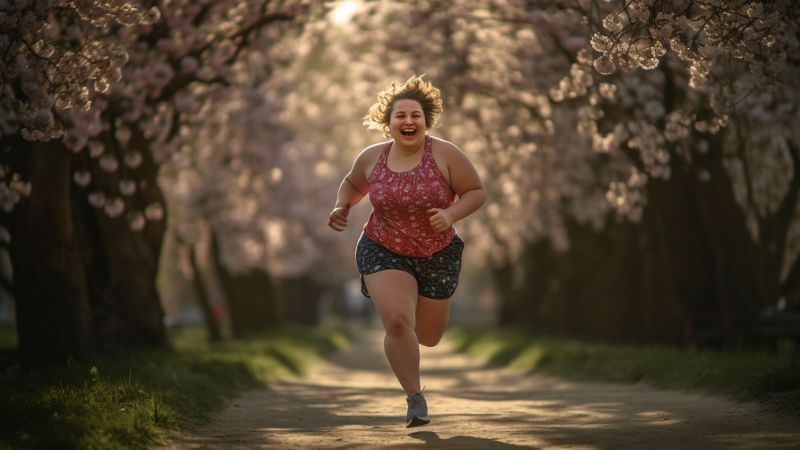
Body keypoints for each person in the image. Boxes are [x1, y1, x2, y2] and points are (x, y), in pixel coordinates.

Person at [328, 75, 486, 428]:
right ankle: (414, 399)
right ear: (389, 123)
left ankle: (416, 330)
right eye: (400, 116)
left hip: (437, 252)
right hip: (383, 247)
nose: (409, 121)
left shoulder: (445, 154)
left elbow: (476, 191)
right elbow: (353, 184)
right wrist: (342, 206)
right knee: (398, 323)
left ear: (426, 122)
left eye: (416, 115)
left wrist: (450, 214)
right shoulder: (372, 157)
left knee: (428, 336)